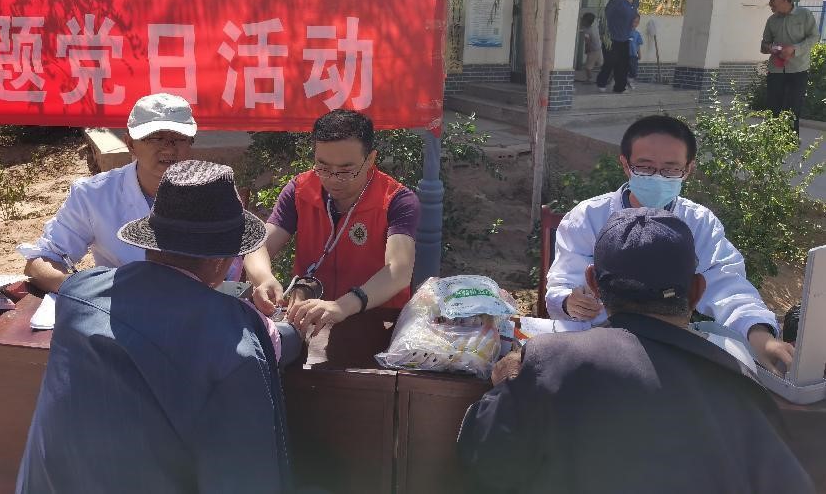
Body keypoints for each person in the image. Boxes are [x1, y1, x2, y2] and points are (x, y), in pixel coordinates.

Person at [458, 208, 814, 494]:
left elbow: (486, 462)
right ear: (696, 291)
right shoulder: (741, 391)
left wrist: (503, 386)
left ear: (594, 283)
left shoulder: (547, 362)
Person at [17, 160, 298, 494]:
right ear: (220, 261)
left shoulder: (78, 293)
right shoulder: (234, 340)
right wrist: (290, 332)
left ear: (148, 242)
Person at [545, 115, 794, 374]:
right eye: (645, 167)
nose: (657, 177)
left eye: (671, 169)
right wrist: (569, 301)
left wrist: (759, 335)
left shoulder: (699, 222)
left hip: (668, 350)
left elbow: (727, 285)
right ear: (626, 165)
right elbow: (563, 282)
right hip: (593, 345)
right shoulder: (587, 217)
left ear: (688, 169)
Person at [245, 109, 420, 336]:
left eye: (346, 171)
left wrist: (344, 305)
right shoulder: (299, 190)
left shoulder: (396, 200)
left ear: (370, 159)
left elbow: (399, 270)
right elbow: (258, 245)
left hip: (378, 321)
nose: (333, 179)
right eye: (323, 167)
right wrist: (264, 279)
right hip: (310, 318)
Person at [17, 93, 198, 293]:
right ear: (130, 144)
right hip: (121, 304)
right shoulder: (93, 195)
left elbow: (227, 261)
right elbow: (42, 260)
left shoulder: (213, 192)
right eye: (156, 138)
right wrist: (89, 293)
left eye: (179, 138)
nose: (169, 149)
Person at [760, 0, 818, 135]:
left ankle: (790, 141)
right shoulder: (772, 20)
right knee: (773, 107)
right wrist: (770, 48)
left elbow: (814, 37)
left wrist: (794, 49)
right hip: (776, 71)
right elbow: (764, 44)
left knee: (793, 109)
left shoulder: (804, 15)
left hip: (798, 70)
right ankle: (772, 141)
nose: (770, 3)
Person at [596, 0, 643, 93]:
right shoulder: (617, 0)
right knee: (610, 61)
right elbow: (604, 16)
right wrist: (603, 33)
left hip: (625, 37)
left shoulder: (636, 2)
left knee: (623, 64)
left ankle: (620, 87)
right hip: (611, 37)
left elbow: (633, 16)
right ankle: (601, 82)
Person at [579, 12, 603, 83]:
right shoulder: (594, 27)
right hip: (599, 48)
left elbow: (588, 42)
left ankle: (589, 79)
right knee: (601, 64)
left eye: (582, 19)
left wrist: (587, 50)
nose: (581, 20)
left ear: (586, 22)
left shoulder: (587, 31)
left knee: (588, 67)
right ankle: (607, 76)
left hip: (593, 50)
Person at [627, 14, 643, 90]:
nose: (635, 24)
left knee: (633, 71)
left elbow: (638, 45)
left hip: (633, 55)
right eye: (633, 21)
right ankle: (623, 82)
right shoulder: (625, 32)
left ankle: (630, 81)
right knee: (624, 69)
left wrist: (639, 54)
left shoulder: (637, 34)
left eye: (637, 22)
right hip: (625, 55)